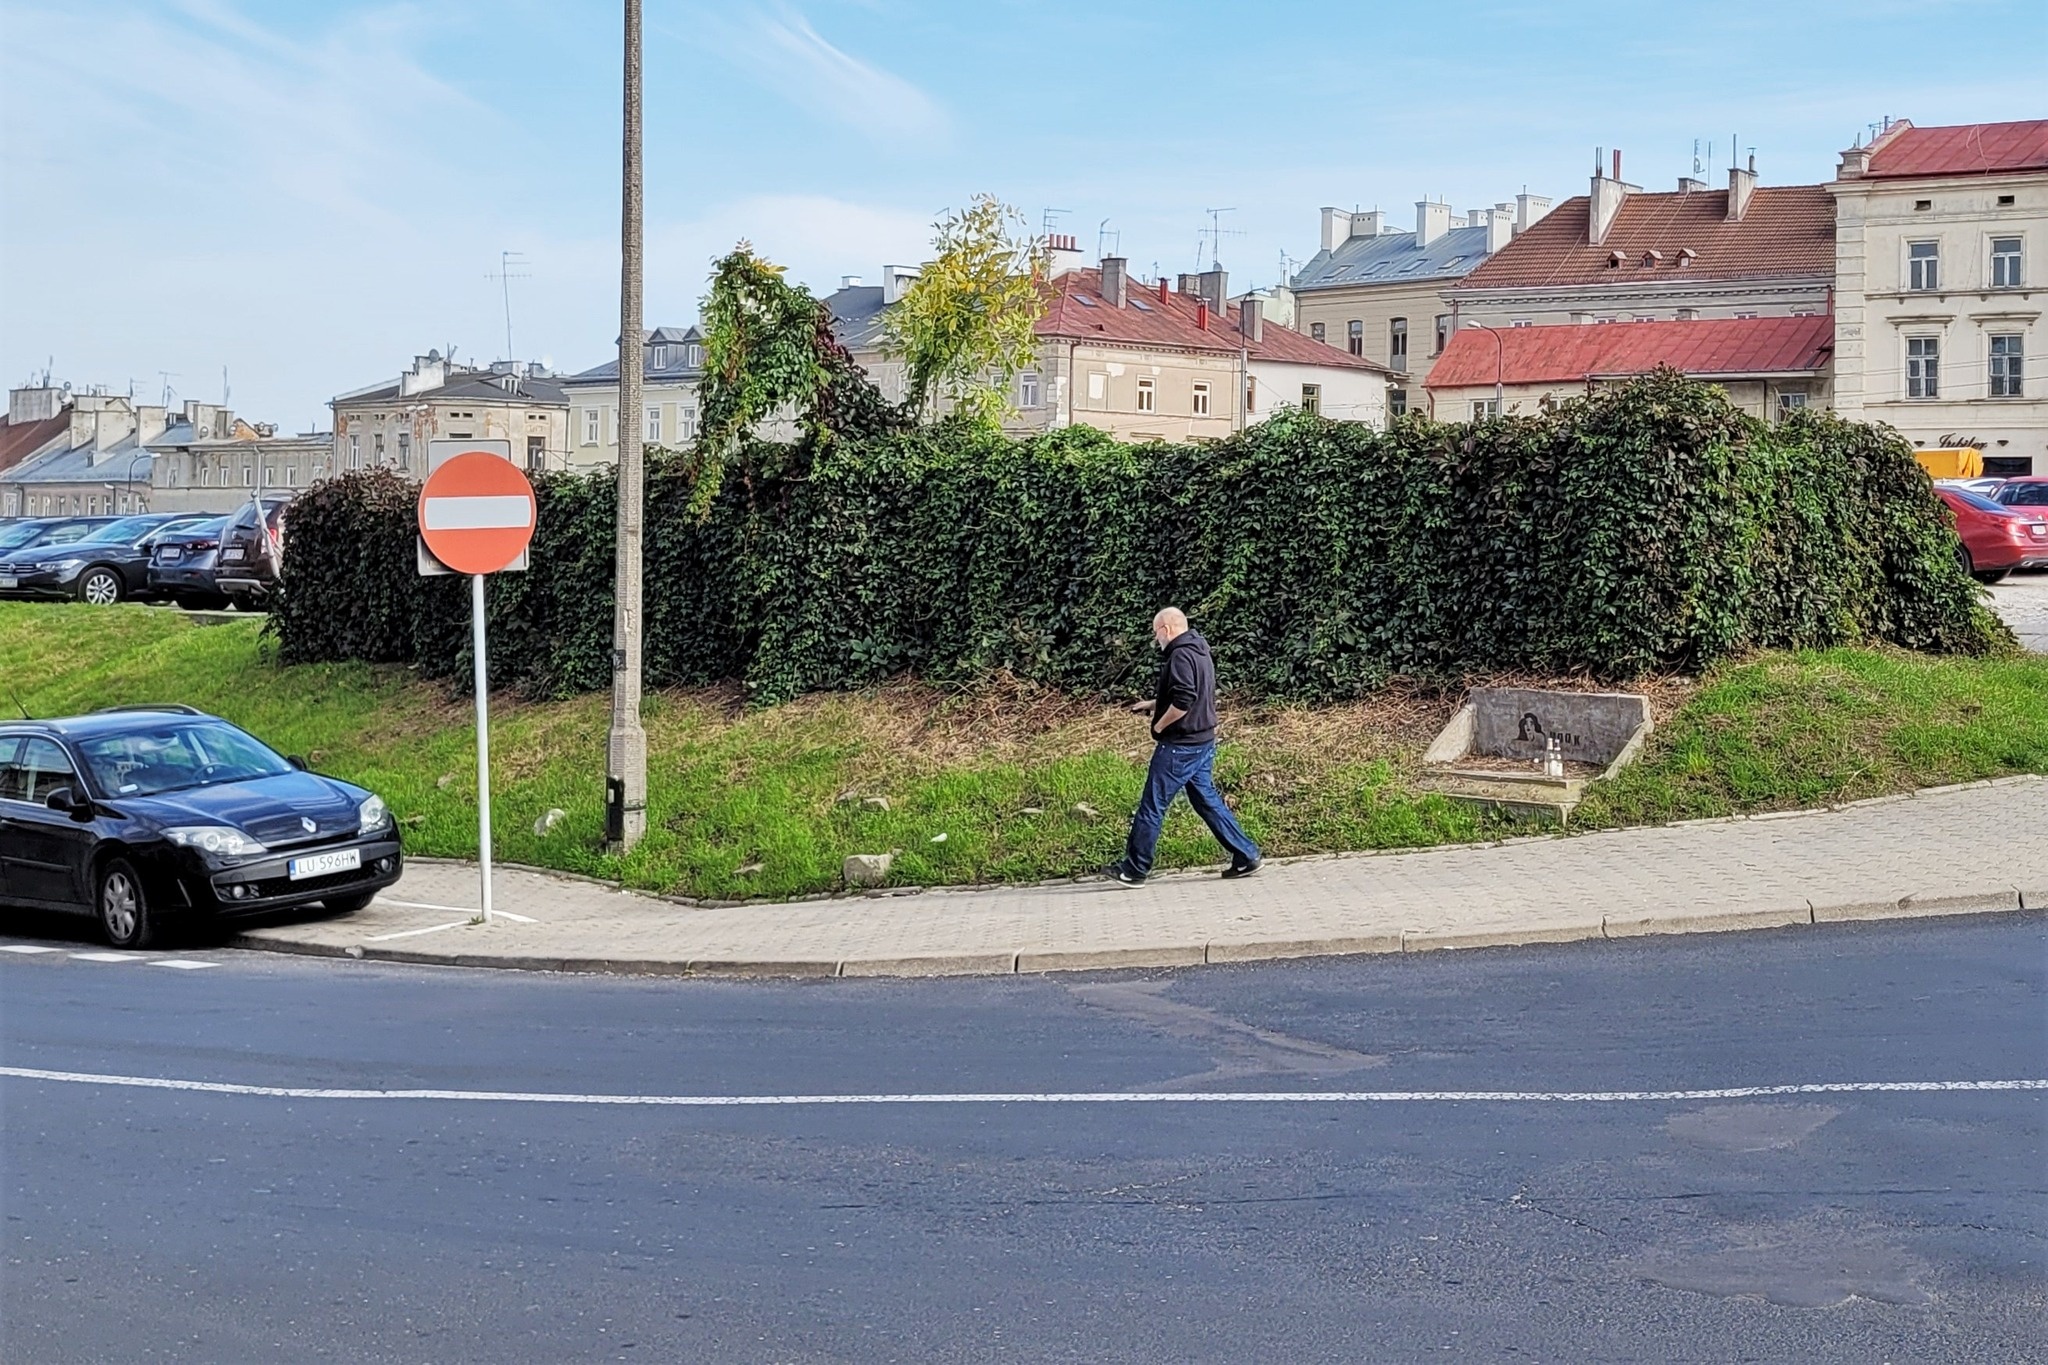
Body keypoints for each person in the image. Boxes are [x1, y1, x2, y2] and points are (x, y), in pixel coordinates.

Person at [1104, 607, 1262, 886]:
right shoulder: (1200, 649)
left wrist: (1159, 725)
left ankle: (1134, 869)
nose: (1157, 640)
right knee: (1206, 801)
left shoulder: (1178, 655)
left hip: (1180, 745)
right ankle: (1246, 855)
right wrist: (1154, 704)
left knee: (1152, 806)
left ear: (1165, 629)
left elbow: (1184, 700)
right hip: (1203, 740)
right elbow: (1194, 692)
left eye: (1156, 634)